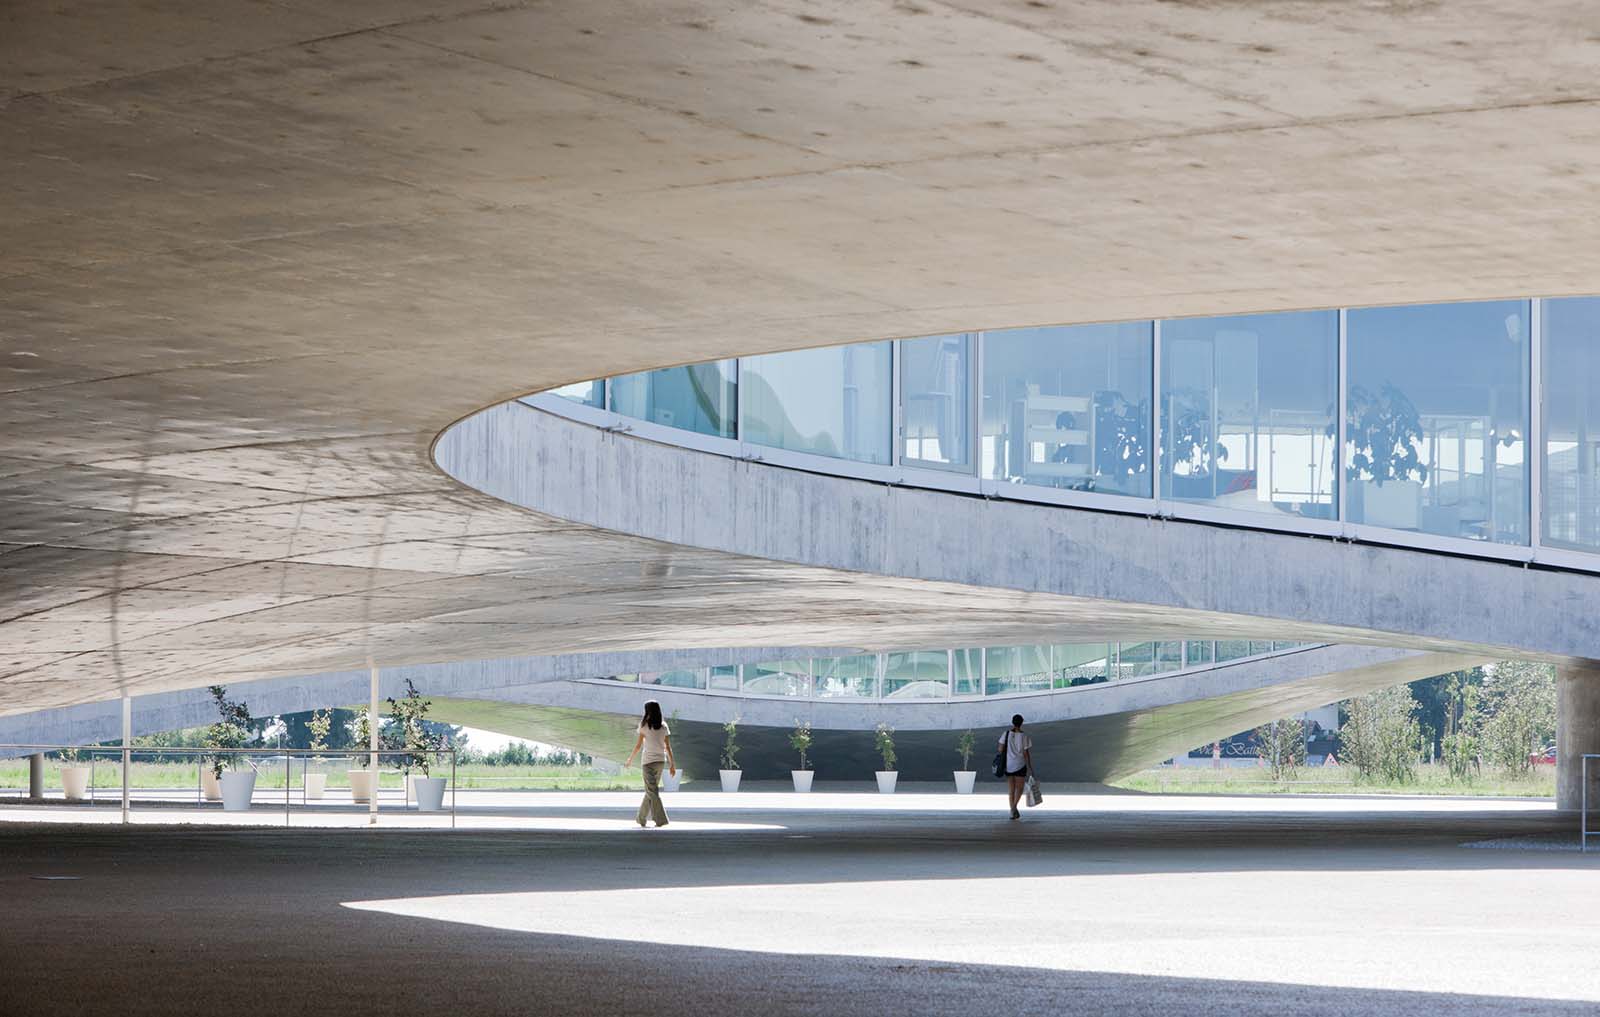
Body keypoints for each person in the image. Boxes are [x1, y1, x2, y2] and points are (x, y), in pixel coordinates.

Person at [623, 700, 675, 828]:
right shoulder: (664, 726)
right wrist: (672, 764)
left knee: (652, 791)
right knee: (651, 791)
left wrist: (630, 759)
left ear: (647, 711)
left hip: (647, 762)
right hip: (660, 762)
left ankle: (661, 820)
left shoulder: (644, 725)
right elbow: (668, 747)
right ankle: (641, 818)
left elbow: (638, 745)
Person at [998, 714, 1032, 820]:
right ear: (1021, 723)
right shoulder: (1024, 736)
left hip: (1008, 765)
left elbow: (1000, 749)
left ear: (1013, 722)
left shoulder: (1006, 734)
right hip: (1020, 765)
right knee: (1020, 789)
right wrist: (1030, 766)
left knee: (1011, 789)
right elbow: (1026, 753)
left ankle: (1013, 812)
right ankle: (1013, 808)